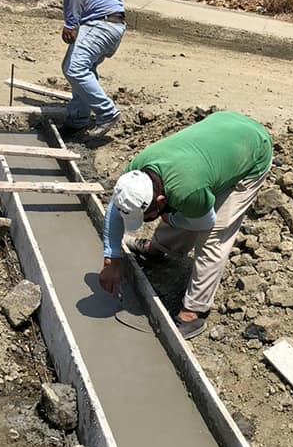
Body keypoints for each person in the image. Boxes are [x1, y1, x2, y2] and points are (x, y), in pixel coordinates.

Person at [99, 111, 273, 339]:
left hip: (252, 150)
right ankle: (158, 248)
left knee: (213, 236)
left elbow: (206, 221)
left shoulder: (189, 192)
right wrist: (111, 259)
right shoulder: (133, 174)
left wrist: (171, 218)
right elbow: (115, 210)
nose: (146, 220)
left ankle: (194, 312)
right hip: (222, 129)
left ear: (160, 199)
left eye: (147, 215)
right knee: (178, 209)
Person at [51, 0, 126, 139]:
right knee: (86, 68)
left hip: (101, 23)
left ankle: (107, 113)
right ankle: (77, 120)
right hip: (111, 23)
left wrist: (71, 23)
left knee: (73, 68)